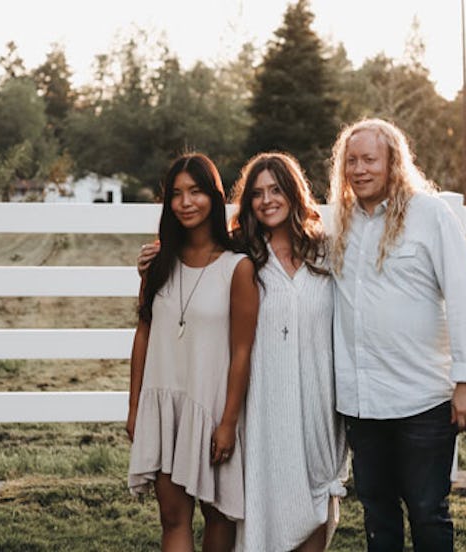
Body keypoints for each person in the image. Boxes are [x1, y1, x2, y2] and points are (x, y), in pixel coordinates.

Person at [138, 152, 347, 552]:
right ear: (246, 201)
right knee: (258, 504)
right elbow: (196, 256)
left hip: (318, 400)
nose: (267, 200)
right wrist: (153, 257)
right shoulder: (245, 255)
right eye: (257, 193)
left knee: (318, 495)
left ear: (294, 192)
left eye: (276, 189)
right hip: (262, 404)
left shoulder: (327, 253)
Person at [328, 119, 466, 552]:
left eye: (369, 160)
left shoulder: (430, 215)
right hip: (362, 402)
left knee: (426, 511)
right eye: (352, 161)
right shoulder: (341, 224)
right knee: (377, 512)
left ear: (393, 162)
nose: (359, 170)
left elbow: (463, 297)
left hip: (423, 400)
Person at [127, 153, 259, 552]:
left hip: (212, 407)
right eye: (177, 194)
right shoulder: (158, 262)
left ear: (215, 198)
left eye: (196, 192)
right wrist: (134, 407)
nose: (186, 202)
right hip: (166, 404)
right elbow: (144, 334)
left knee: (218, 515)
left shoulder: (238, 267)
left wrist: (227, 422)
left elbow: (242, 352)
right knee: (172, 518)